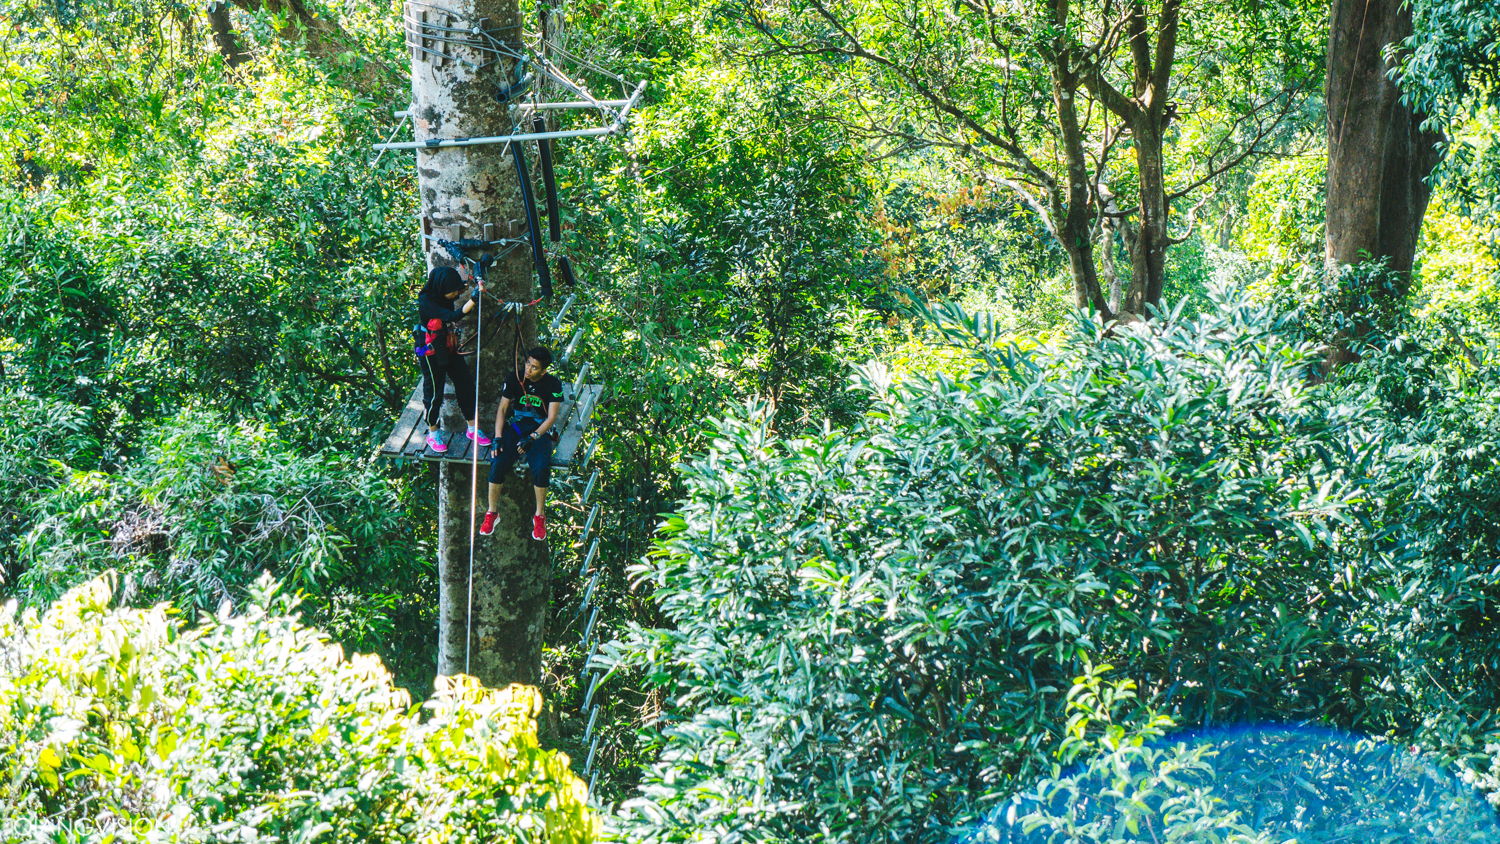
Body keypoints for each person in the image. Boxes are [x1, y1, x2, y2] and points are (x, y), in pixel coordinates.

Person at [479, 346, 563, 540]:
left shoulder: (553, 384)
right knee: (498, 461)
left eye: (534, 367)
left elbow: (551, 418)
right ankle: (492, 513)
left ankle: (539, 516)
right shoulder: (515, 377)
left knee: (541, 467)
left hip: (538, 429)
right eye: (527, 364)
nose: (528, 369)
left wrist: (533, 437)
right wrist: (498, 437)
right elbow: (502, 409)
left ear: (543, 371)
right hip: (516, 426)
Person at [415, 264, 492, 453]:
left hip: (447, 345)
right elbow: (453, 315)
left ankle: (472, 429)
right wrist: (473, 299)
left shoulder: (444, 292)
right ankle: (433, 433)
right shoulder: (427, 303)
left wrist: (477, 277)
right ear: (441, 289)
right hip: (431, 352)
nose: (455, 295)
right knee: (434, 393)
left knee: (465, 383)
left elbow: (461, 287)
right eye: (452, 292)